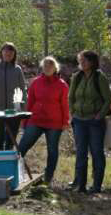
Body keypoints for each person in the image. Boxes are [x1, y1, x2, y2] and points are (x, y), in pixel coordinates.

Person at [18, 56, 69, 185]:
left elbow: (65, 104)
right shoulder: (36, 82)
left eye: (50, 65)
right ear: (42, 67)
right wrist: (24, 119)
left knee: (52, 150)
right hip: (36, 119)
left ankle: (48, 178)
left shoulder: (62, 85)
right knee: (22, 147)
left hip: (54, 122)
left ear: (55, 68)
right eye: (45, 65)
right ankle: (15, 172)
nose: (47, 67)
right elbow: (30, 102)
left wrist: (65, 121)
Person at [68, 50, 111, 193]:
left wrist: (100, 115)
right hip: (79, 121)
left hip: (95, 122)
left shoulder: (100, 77)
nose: (81, 63)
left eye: (85, 60)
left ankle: (96, 186)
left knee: (96, 152)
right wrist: (73, 113)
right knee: (81, 152)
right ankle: (80, 185)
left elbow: (109, 99)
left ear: (92, 62)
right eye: (80, 60)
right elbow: (71, 97)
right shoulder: (76, 76)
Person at [0, 42, 27, 150]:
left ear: (14, 54)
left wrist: (22, 109)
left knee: (11, 140)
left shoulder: (17, 69)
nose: (8, 53)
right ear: (1, 52)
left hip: (14, 112)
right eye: (6, 50)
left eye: (11, 51)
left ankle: (8, 163)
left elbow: (22, 90)